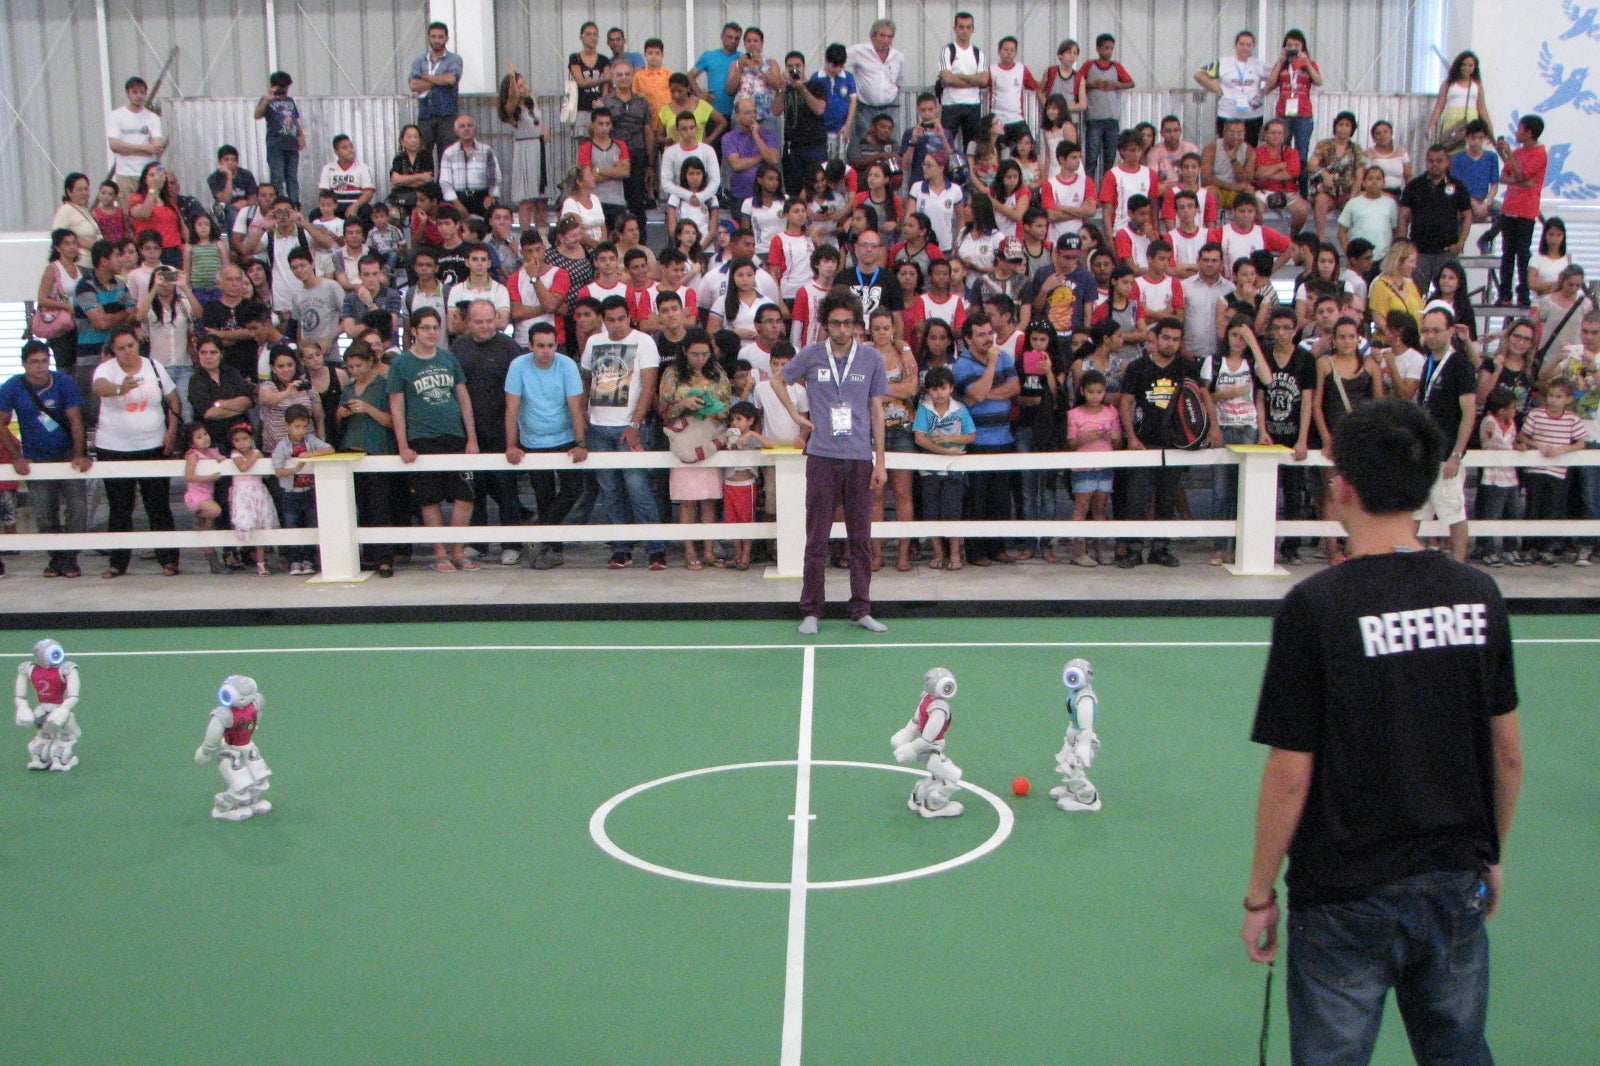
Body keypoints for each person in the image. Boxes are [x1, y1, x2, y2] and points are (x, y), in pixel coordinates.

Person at [1241, 396, 1522, 1066]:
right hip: (1453, 877)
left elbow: (1291, 773)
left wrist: (1259, 894)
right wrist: (1490, 854)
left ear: (1344, 485)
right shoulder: (1479, 594)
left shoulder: (1315, 607)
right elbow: (1507, 755)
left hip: (1342, 895)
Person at [772, 290, 888, 633]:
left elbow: (877, 409)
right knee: (817, 537)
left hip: (858, 458)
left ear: (856, 325)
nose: (841, 329)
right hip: (822, 456)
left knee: (860, 539)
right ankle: (811, 609)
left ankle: (861, 607)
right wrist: (795, 414)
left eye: (848, 323)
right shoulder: (811, 355)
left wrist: (880, 461)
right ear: (825, 325)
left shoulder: (870, 358)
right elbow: (779, 379)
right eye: (835, 323)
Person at [388, 307, 479, 572]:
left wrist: (470, 438)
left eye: (435, 327)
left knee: (465, 495)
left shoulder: (449, 358)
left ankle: (458, 551)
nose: (431, 333)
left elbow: (463, 399)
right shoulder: (401, 363)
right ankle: (440, 553)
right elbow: (397, 407)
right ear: (414, 330)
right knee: (429, 498)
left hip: (454, 435)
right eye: (425, 327)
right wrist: (403, 444)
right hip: (422, 437)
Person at [581, 295, 666, 570]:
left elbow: (649, 386)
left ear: (629, 316)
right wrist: (585, 416)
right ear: (603, 321)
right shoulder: (594, 342)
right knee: (610, 490)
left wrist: (636, 425)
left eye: (621, 318)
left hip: (629, 426)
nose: (616, 325)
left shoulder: (644, 341)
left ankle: (655, 549)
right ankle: (621, 548)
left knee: (638, 488)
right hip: (598, 427)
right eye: (611, 320)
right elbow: (586, 379)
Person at [92, 328, 181, 578]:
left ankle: (169, 559)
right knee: (120, 507)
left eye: (130, 345)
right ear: (113, 351)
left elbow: (174, 400)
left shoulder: (154, 366)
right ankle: (118, 562)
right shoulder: (106, 369)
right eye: (120, 348)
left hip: (153, 445)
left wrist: (172, 430)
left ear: (138, 344)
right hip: (114, 448)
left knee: (158, 505)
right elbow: (100, 388)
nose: (127, 351)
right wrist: (120, 388)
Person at [0, 341, 92, 578]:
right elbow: (1, 423)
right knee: (43, 512)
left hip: (67, 455)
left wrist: (79, 453)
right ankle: (57, 559)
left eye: (44, 360)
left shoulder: (63, 382)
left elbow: (75, 420)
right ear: (24, 364)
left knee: (78, 509)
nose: (41, 366)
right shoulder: (12, 387)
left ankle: (69, 559)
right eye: (34, 362)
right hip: (36, 458)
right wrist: (17, 457)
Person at [452, 300, 523, 565]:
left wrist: (513, 436)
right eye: (479, 322)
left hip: (503, 429)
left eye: (489, 321)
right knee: (473, 489)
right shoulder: (458, 349)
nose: (485, 327)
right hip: (470, 430)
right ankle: (478, 543)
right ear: (468, 322)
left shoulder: (509, 348)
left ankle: (512, 544)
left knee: (506, 488)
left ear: (497, 319)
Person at [1415, 307, 1478, 562]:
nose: (1430, 336)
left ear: (1451, 331)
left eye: (1436, 330)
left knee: (1453, 510)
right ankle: (1402, 562)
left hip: (1447, 453)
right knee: (1415, 511)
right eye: (1426, 330)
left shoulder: (1460, 365)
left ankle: (1460, 564)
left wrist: (1456, 454)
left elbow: (1469, 412)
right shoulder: (1429, 362)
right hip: (1425, 453)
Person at [1518, 376, 1588, 566]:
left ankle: (1546, 549)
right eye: (1550, 396)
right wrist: (1537, 445)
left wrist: (1563, 449)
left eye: (1558, 397)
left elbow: (1581, 442)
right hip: (1535, 469)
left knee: (1552, 508)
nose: (1553, 400)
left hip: (1557, 471)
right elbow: (1522, 435)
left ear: (1568, 399)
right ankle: (1528, 548)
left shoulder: (1572, 419)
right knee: (1533, 507)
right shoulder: (1536, 414)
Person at [912, 365, 974, 570]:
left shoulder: (959, 409)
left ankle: (955, 553)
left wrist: (951, 439)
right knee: (931, 509)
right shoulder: (924, 409)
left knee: (952, 508)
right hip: (929, 468)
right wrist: (944, 450)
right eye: (934, 389)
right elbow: (919, 438)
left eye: (942, 388)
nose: (938, 393)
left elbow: (971, 435)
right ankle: (938, 552)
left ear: (951, 388)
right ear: (928, 390)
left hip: (955, 468)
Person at [194, 676, 275, 822]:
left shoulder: (255, 703)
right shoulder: (224, 714)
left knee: (259, 778)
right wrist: (207, 750)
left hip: (248, 747)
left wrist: (255, 724)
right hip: (232, 752)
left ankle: (251, 802)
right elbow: (213, 734)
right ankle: (223, 808)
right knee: (241, 783)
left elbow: (257, 714)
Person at [890, 668, 965, 818]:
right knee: (951, 776)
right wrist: (909, 745)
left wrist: (908, 740)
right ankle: (934, 806)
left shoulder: (927, 700)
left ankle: (918, 796)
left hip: (925, 747)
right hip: (931, 747)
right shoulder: (939, 708)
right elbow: (926, 736)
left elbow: (916, 721)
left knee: (937, 776)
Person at [270, 404, 333, 575]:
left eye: (305, 426)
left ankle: (309, 560)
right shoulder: (282, 446)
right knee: (292, 524)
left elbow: (329, 449)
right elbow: (278, 470)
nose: (301, 431)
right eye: (297, 426)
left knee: (312, 523)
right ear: (287, 426)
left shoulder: (310, 441)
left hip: (309, 490)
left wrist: (308, 455)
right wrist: (294, 470)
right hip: (291, 493)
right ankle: (295, 560)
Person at [1400, 145, 1473, 293]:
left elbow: (1467, 215)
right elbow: (1403, 217)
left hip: (1446, 252)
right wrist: (1403, 246)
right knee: (1414, 294)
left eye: (1439, 161)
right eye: (1431, 161)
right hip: (1419, 253)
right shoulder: (1415, 185)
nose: (1434, 164)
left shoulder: (1458, 186)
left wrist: (1461, 243)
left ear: (1448, 162)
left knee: (1450, 295)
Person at [1492, 115, 1548, 309]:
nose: (1517, 133)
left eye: (1520, 129)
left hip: (1526, 210)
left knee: (1523, 253)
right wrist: (1521, 180)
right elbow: (1504, 177)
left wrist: (1510, 158)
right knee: (1507, 253)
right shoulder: (1517, 152)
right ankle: (1504, 294)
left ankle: (1523, 293)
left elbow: (1521, 174)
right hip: (1510, 208)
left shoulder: (1539, 153)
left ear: (1529, 132)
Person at [14, 639, 82, 773]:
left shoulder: (66, 669)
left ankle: (60, 759)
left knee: (65, 738)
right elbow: (20, 696)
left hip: (58, 710)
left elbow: (73, 695)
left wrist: (64, 709)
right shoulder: (28, 669)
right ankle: (40, 757)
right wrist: (22, 708)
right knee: (43, 737)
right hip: (42, 710)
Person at [1076, 34, 1134, 180]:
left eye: (1111, 48)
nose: (1108, 51)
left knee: (1110, 159)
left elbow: (1131, 83)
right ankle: (1089, 191)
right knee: (1091, 158)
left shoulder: (1116, 66)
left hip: (1112, 119)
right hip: (1094, 118)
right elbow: (1076, 81)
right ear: (1098, 48)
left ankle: (1106, 191)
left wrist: (1116, 85)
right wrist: (1091, 84)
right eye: (1106, 48)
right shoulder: (1089, 65)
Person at [1195, 31, 1269, 145]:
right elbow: (1199, 74)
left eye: (1248, 45)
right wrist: (1217, 89)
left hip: (1253, 115)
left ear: (1253, 47)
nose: (1245, 48)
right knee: (1225, 148)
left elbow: (1276, 76)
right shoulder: (1223, 63)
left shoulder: (1259, 64)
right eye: (1242, 44)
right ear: (1236, 45)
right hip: (1228, 113)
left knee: (1250, 149)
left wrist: (1266, 90)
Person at [845, 19, 904, 148]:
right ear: (873, 36)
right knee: (865, 142)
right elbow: (838, 63)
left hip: (890, 108)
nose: (886, 40)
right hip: (866, 108)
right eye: (882, 35)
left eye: (889, 36)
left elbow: (899, 80)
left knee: (892, 143)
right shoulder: (859, 51)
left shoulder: (897, 56)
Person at [409, 22, 462, 163]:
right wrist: (439, 80)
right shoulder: (419, 61)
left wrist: (427, 78)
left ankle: (444, 185)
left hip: (447, 115)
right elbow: (413, 85)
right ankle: (426, 184)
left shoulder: (454, 59)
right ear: (428, 38)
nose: (437, 40)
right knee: (423, 154)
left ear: (447, 38)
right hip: (425, 115)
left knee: (447, 156)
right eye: (433, 36)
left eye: (440, 37)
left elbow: (450, 79)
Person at [106, 76, 166, 199]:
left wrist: (127, 149)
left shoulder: (152, 118)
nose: (139, 96)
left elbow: (157, 146)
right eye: (134, 92)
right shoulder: (117, 116)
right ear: (127, 93)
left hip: (148, 174)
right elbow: (114, 145)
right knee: (127, 211)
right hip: (125, 173)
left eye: (142, 92)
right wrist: (144, 148)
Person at [938, 13, 989, 154]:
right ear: (955, 29)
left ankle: (970, 175)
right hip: (951, 105)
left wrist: (960, 77)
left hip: (973, 105)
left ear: (973, 29)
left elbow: (984, 80)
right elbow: (947, 78)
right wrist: (973, 80)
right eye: (961, 27)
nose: (965, 31)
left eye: (968, 27)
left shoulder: (979, 53)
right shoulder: (947, 50)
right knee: (945, 145)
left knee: (972, 146)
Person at [437, 115, 501, 220]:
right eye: (462, 126)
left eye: (469, 125)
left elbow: (495, 178)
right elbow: (445, 183)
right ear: (455, 131)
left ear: (474, 129)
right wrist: (457, 204)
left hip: (482, 196)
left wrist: (491, 196)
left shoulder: (486, 150)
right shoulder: (449, 153)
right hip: (457, 198)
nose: (466, 129)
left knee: (494, 211)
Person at [1427, 50, 1493, 149]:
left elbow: (1482, 109)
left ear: (1474, 68)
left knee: (1469, 150)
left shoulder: (1477, 86)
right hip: (1452, 120)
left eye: (1470, 65)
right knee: (1450, 147)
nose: (1466, 68)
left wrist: (1489, 130)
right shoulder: (1448, 84)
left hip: (1471, 121)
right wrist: (1431, 125)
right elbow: (1439, 107)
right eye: (1464, 65)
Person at [694, 21, 745, 121]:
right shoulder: (708, 56)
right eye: (729, 37)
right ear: (722, 36)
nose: (733, 41)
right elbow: (690, 75)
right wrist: (699, 93)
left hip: (737, 113)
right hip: (713, 111)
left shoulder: (742, 58)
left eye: (736, 38)